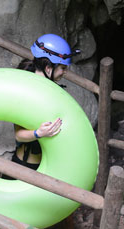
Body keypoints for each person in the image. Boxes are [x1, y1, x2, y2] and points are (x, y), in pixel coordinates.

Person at [7, 33, 79, 174]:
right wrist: (39, 133)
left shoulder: (50, 88)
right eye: (63, 68)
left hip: (46, 165)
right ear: (48, 67)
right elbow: (19, 134)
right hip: (25, 167)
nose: (65, 72)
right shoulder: (26, 91)